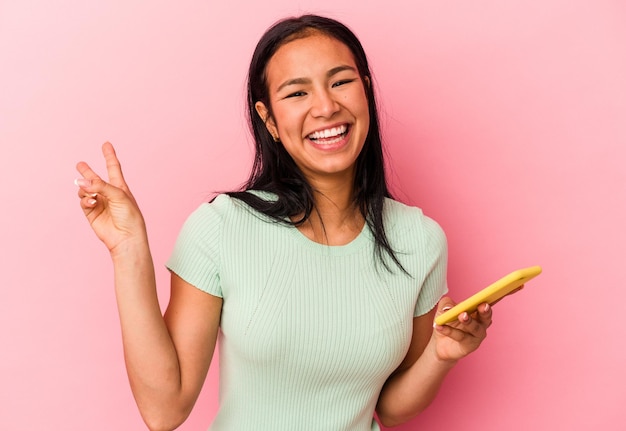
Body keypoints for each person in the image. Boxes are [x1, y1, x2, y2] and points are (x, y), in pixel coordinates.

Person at [75, 14, 492, 431]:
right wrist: (127, 248)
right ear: (269, 119)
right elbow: (164, 410)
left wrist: (441, 353)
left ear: (366, 89)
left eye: (341, 81)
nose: (326, 106)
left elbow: (393, 408)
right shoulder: (222, 227)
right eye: (296, 92)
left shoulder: (419, 239)